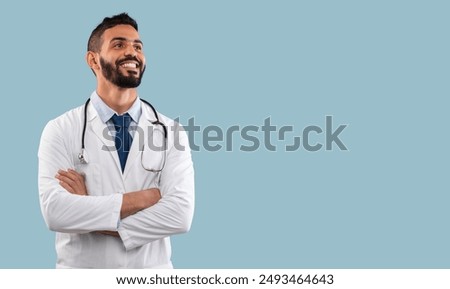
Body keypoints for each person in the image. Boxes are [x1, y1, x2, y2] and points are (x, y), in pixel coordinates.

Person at [38, 13, 195, 269]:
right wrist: (146, 198)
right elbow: (55, 212)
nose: (132, 52)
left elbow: (180, 216)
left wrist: (90, 210)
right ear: (93, 60)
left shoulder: (171, 132)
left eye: (137, 46)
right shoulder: (60, 129)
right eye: (119, 44)